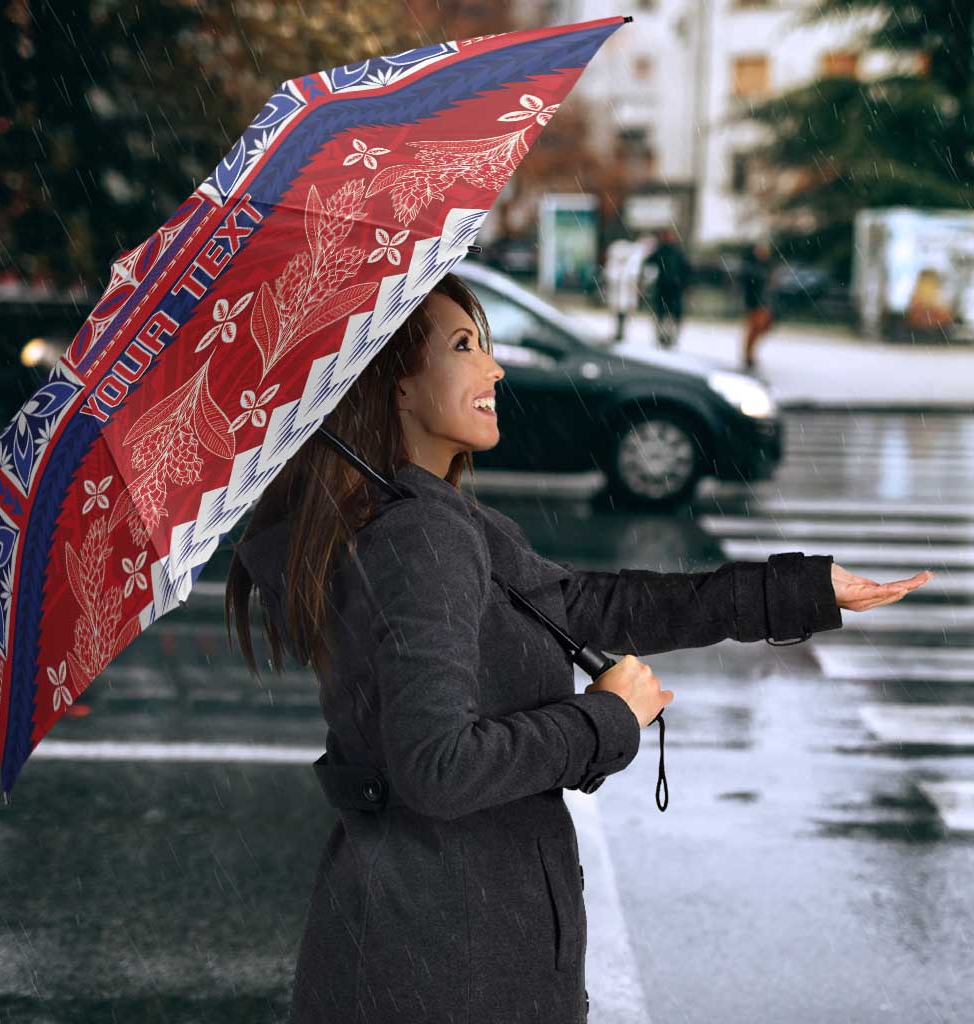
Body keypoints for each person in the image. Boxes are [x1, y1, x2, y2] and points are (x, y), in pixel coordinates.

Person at [225, 272, 925, 1024]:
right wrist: (606, 719)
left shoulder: (426, 517)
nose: (494, 368)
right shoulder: (420, 537)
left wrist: (800, 591)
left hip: (431, 940)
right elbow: (437, 768)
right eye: (464, 346)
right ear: (395, 385)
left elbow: (590, 605)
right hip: (450, 962)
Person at [642, 226, 692, 349]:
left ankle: (669, 337)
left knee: (670, 315)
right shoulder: (662, 251)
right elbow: (648, 264)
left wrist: (685, 284)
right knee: (663, 314)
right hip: (665, 288)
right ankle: (663, 337)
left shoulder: (675, 252)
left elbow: (686, 270)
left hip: (673, 288)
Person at [740, 239, 776, 370]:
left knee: (762, 328)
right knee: (754, 329)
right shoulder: (752, 267)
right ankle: (748, 355)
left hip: (764, 303)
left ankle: (749, 354)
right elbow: (749, 286)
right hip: (755, 303)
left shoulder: (767, 266)